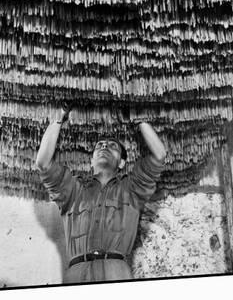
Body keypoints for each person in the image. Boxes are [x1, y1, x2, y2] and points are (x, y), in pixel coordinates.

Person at [35, 104, 167, 284]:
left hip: (115, 269)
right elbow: (43, 163)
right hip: (77, 270)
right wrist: (60, 115)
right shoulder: (73, 190)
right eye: (100, 145)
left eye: (112, 146)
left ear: (121, 163)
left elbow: (159, 155)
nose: (104, 147)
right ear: (91, 161)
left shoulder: (132, 189)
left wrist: (140, 118)